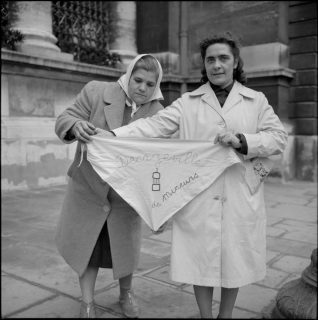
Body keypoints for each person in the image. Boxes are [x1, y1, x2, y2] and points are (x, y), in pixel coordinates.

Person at [105, 33, 288, 318]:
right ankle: (205, 316)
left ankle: (224, 315)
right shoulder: (187, 102)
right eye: (210, 59)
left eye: (223, 58)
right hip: (197, 196)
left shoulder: (256, 100)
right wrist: (112, 136)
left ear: (235, 62)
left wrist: (242, 140)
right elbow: (153, 126)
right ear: (204, 64)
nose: (217, 65)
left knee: (234, 261)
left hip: (240, 193)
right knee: (199, 261)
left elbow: (277, 138)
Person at [55, 54, 165, 318]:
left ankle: (126, 294)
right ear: (128, 76)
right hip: (89, 190)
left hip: (125, 198)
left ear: (156, 86)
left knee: (124, 250)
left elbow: (161, 161)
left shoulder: (159, 114)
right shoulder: (96, 91)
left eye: (150, 84)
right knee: (88, 248)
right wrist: (75, 125)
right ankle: (87, 303)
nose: (142, 88)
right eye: (138, 80)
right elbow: (64, 118)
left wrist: (159, 204)